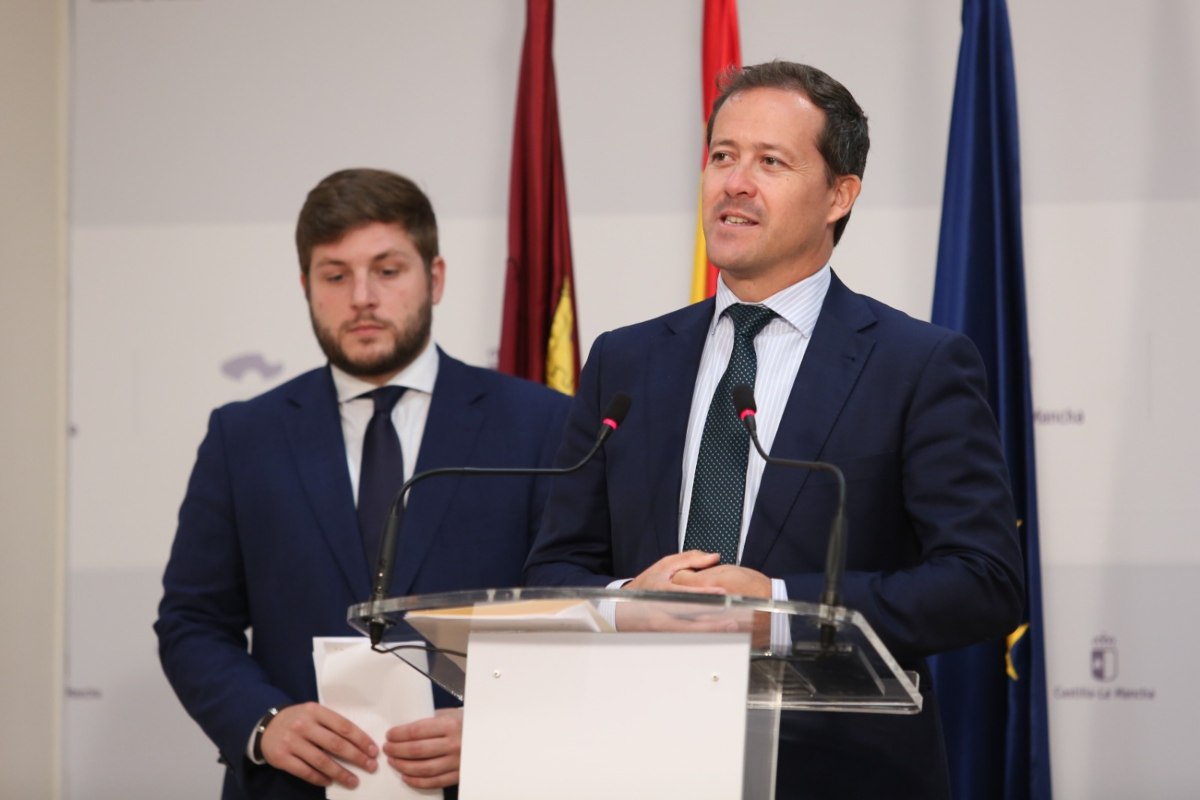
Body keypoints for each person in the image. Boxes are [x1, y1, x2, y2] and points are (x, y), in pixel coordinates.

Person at [524, 61, 1025, 798]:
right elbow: (551, 570)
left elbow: (982, 582)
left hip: (836, 769)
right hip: (633, 757)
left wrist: (782, 614)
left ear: (838, 195)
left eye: (770, 162)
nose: (734, 182)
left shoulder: (917, 365)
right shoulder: (625, 360)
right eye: (722, 156)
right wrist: (629, 599)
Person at [156, 168, 571, 800]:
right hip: (294, 787)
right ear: (306, 287)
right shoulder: (243, 437)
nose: (362, 298)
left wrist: (501, 721)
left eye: (387, 269)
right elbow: (192, 620)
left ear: (434, 278)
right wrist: (263, 723)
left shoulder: (541, 424)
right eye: (335, 275)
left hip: (487, 781)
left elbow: (576, 619)